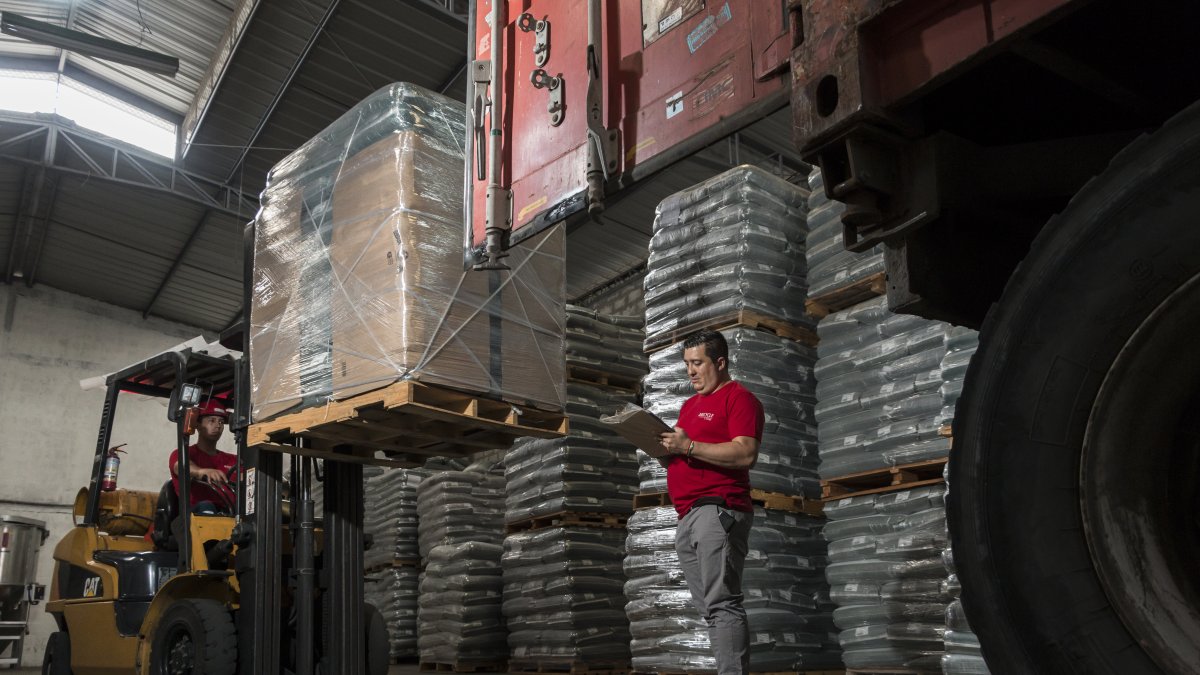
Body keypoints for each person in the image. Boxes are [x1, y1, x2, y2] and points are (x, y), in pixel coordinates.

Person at [658, 329, 764, 675]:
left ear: (720, 362)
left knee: (722, 604)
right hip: (688, 515)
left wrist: (688, 447)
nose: (690, 371)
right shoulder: (690, 406)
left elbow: (745, 453)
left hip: (718, 509)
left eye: (697, 363)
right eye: (686, 364)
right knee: (710, 609)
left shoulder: (739, 399)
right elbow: (689, 454)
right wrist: (667, 451)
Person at [169, 398, 236, 515]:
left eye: (221, 422)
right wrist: (201, 472)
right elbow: (182, 466)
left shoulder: (233, 460)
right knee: (206, 506)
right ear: (197, 424)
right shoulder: (183, 453)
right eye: (212, 420)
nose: (218, 425)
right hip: (194, 516)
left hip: (229, 513)